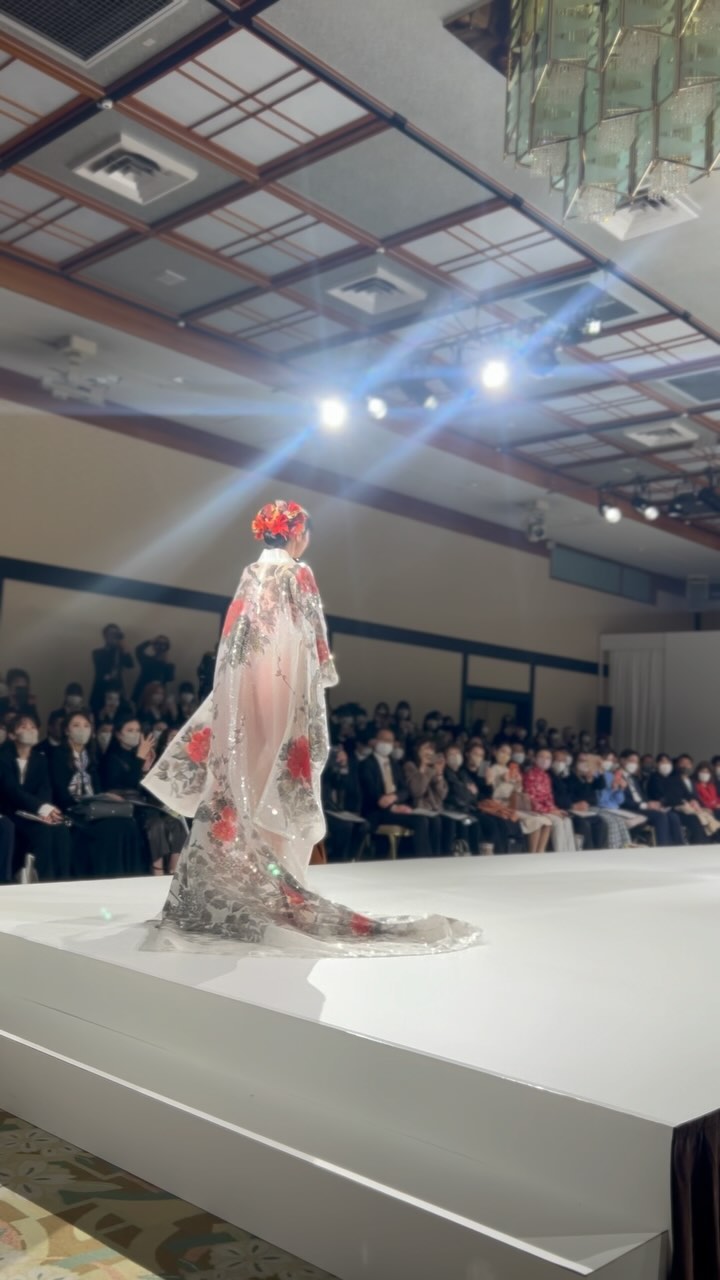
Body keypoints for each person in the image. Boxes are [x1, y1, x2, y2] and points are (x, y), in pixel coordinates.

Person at [142, 500, 480, 954]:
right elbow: (311, 640)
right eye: (306, 534)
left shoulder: (250, 573)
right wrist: (310, 697)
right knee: (278, 784)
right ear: (297, 533)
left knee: (238, 784)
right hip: (283, 692)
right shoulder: (298, 573)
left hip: (244, 696)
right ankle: (276, 891)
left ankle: (224, 892)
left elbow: (232, 645)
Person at [50, 710, 145, 878]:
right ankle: (105, 876)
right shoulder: (57, 755)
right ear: (67, 730)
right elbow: (60, 792)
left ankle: (128, 876)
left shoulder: (91, 755)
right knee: (109, 828)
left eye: (86, 726)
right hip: (72, 808)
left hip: (93, 807)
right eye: (76, 725)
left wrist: (106, 797)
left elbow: (98, 788)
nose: (82, 730)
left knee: (127, 824)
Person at [102, 714, 186, 876]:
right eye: (130, 730)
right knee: (155, 823)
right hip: (123, 805)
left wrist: (146, 769)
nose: (135, 734)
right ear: (118, 734)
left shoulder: (136, 755)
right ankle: (157, 869)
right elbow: (125, 783)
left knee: (175, 822)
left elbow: (143, 787)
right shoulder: (111, 757)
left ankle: (174, 868)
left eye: (137, 730)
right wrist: (140, 759)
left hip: (142, 802)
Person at [0, 711, 70, 880]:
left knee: (60, 828)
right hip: (11, 811)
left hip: (32, 812)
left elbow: (45, 788)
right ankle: (44, 879)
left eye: (33, 727)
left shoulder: (40, 758)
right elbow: (11, 790)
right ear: (12, 735)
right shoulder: (3, 757)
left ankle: (63, 878)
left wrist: (45, 811)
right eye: (24, 727)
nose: (30, 730)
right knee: (42, 831)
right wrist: (40, 807)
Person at [360, 728, 434, 857]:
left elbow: (405, 789)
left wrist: (395, 797)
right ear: (375, 741)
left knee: (426, 819)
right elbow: (370, 792)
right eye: (384, 740)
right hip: (376, 811)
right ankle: (423, 860)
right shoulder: (366, 764)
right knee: (419, 821)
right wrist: (392, 806)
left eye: (390, 741)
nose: (387, 744)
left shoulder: (394, 764)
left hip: (395, 807)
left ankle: (424, 858)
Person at [486, 743, 551, 853]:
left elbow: (517, 793)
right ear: (495, 752)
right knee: (536, 821)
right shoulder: (492, 769)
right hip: (501, 805)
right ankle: (532, 853)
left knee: (547, 821)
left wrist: (518, 783)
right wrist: (502, 780)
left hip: (513, 804)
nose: (505, 755)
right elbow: (493, 792)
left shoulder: (510, 770)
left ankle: (540, 852)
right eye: (502, 752)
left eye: (508, 753)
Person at [617, 750, 684, 847]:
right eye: (632, 761)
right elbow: (622, 801)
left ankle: (678, 847)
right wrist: (645, 805)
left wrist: (652, 804)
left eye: (636, 762)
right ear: (622, 760)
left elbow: (642, 796)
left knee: (672, 816)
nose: (634, 764)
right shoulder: (617, 776)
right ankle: (663, 847)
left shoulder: (633, 778)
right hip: (629, 808)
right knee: (660, 816)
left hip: (642, 806)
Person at [321, 745, 369, 863]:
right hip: (316, 810)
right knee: (345, 826)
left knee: (363, 825)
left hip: (330, 807)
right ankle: (337, 861)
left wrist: (343, 766)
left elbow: (340, 784)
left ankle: (351, 860)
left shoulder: (328, 761)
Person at [523, 748, 576, 852]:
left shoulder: (546, 776)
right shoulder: (530, 774)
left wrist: (556, 810)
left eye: (548, 758)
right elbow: (532, 800)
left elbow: (549, 798)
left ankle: (570, 852)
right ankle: (560, 853)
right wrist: (550, 811)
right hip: (536, 810)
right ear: (535, 759)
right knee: (557, 822)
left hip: (547, 810)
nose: (545, 760)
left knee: (566, 820)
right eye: (541, 757)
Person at [550, 749, 605, 851]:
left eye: (586, 761)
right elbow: (562, 796)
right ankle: (587, 852)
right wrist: (572, 805)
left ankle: (599, 851)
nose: (584, 763)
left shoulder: (583, 775)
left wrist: (599, 771)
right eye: (581, 761)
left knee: (599, 821)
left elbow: (600, 786)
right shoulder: (568, 776)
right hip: (567, 808)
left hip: (580, 807)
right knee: (583, 824)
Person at [648, 754, 708, 845]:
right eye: (663, 762)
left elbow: (687, 794)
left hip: (679, 806)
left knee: (702, 817)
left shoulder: (676, 779)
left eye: (668, 762)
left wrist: (692, 801)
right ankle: (689, 845)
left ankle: (704, 843)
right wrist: (681, 802)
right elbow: (661, 796)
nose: (666, 765)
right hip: (669, 807)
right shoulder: (655, 778)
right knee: (692, 819)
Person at [403, 737, 446, 855]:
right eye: (425, 748)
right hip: (416, 806)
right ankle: (425, 858)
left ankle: (438, 858)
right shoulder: (410, 765)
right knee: (432, 821)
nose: (429, 752)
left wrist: (439, 774)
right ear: (418, 750)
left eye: (431, 749)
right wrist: (422, 768)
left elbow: (442, 795)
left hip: (432, 808)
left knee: (442, 821)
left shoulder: (433, 769)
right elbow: (417, 791)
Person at [90, 624, 134, 712]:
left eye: (116, 634)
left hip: (118, 690)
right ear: (105, 636)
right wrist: (115, 647)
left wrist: (122, 645)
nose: (113, 636)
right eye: (111, 633)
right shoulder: (97, 653)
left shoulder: (120, 652)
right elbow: (103, 666)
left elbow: (130, 665)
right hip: (101, 690)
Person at [133, 635, 175, 703]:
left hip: (158, 696)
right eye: (158, 643)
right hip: (141, 693)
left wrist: (166, 662)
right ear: (154, 646)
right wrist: (150, 641)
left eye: (164, 644)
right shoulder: (147, 661)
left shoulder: (168, 665)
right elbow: (138, 650)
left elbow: (170, 678)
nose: (161, 647)